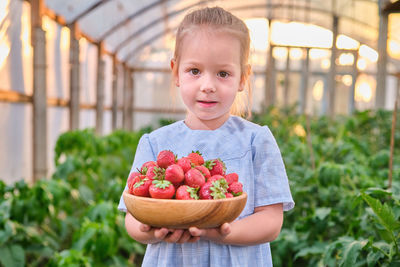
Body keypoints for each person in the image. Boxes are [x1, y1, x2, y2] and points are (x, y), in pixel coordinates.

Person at [118, 6, 294, 266]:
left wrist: (222, 234)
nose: (208, 85)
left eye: (223, 73)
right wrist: (149, 231)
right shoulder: (155, 143)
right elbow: (132, 214)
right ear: (176, 71)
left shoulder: (256, 141)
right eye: (195, 71)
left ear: (243, 78)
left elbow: (271, 221)